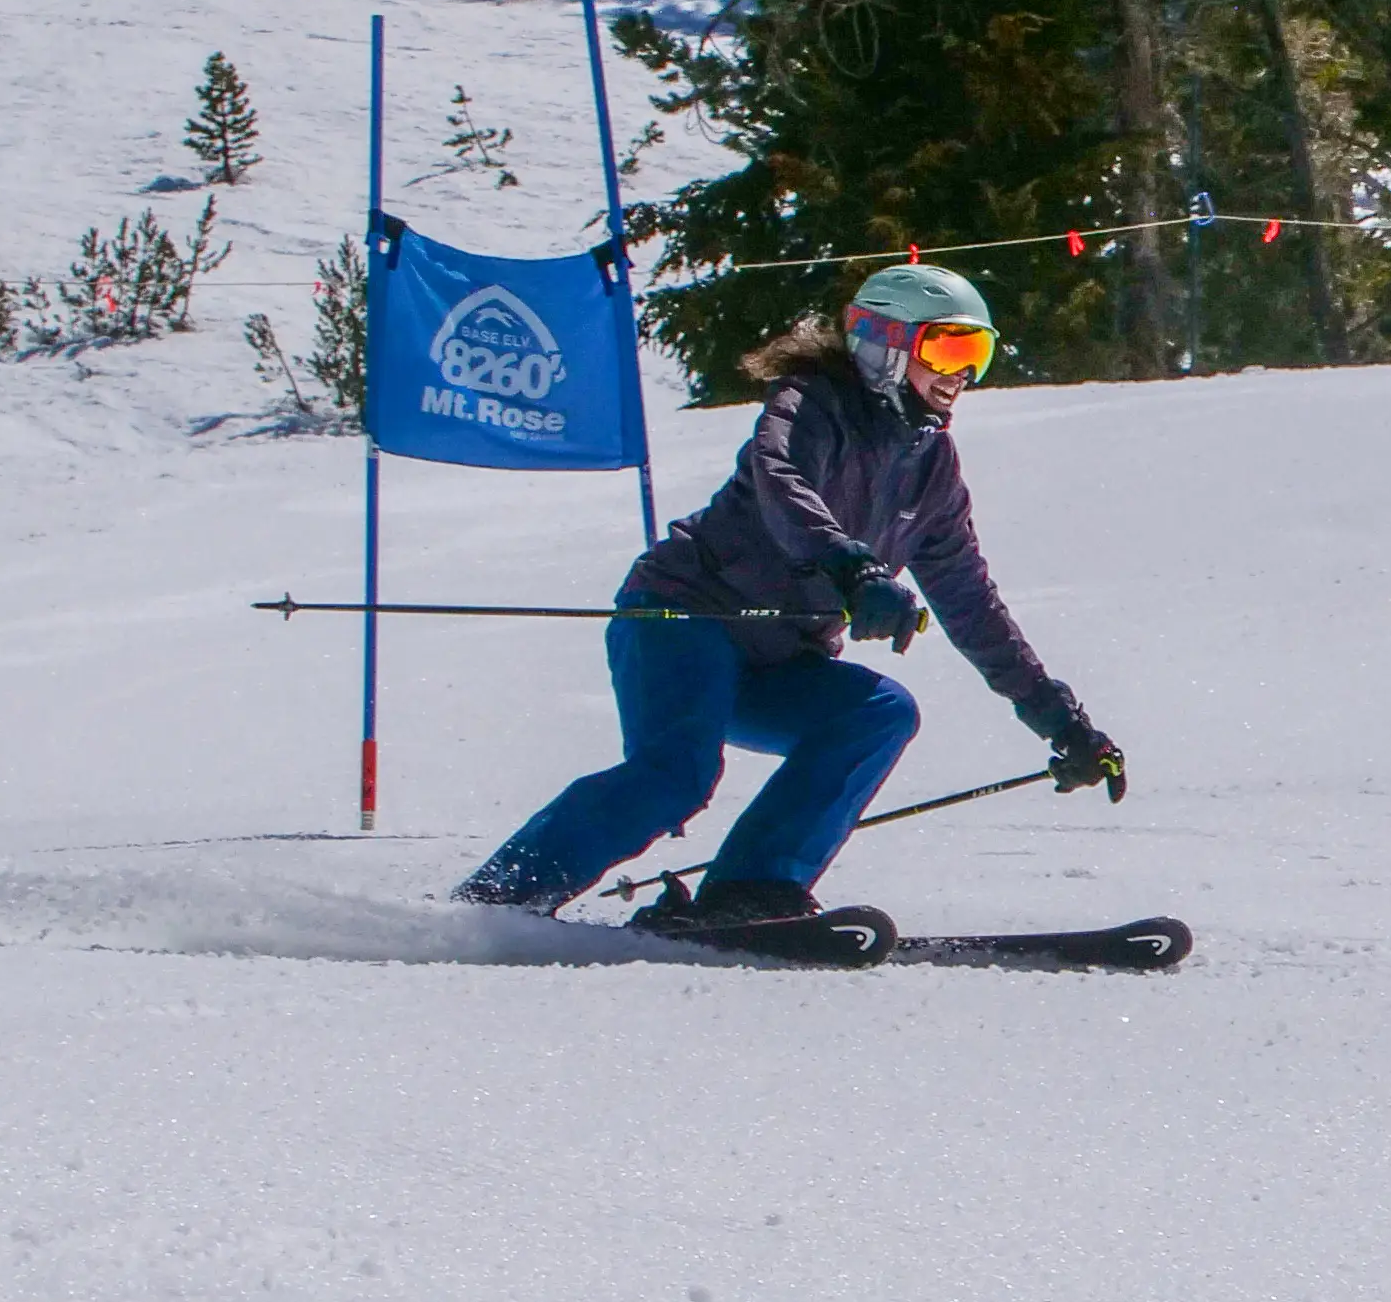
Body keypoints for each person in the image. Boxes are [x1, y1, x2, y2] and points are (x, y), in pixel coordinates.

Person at [457, 261, 1123, 924]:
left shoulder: (930, 469)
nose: (962, 372)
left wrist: (1056, 716)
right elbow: (780, 481)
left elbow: (970, 600)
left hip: (776, 656)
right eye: (947, 346)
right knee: (674, 778)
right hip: (685, 615)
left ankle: (752, 889)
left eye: (977, 351)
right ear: (886, 342)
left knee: (877, 712)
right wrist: (853, 569)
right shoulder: (810, 403)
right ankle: (496, 902)